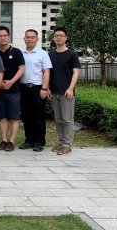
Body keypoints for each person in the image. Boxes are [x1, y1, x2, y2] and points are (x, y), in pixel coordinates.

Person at [48, 27, 80, 156]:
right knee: (58, 120)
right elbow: (48, 72)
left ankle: (67, 145)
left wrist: (70, 88)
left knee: (68, 120)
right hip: (54, 91)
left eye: (61, 35)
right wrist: (47, 87)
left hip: (67, 92)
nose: (59, 37)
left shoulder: (71, 54)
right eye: (56, 35)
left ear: (66, 38)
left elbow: (76, 72)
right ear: (53, 38)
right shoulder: (50, 55)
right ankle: (61, 143)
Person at [0, 26, 25, 152]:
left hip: (14, 90)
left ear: (9, 36)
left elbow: (22, 69)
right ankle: (4, 140)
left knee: (13, 117)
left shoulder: (16, 52)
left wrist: (11, 82)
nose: (3, 37)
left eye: (5, 35)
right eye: (0, 36)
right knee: (2, 116)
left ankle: (11, 141)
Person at [20, 29, 52, 152]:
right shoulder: (20, 53)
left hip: (38, 88)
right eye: (27, 37)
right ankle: (29, 140)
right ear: (24, 39)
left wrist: (44, 88)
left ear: (37, 39)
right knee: (26, 116)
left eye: (32, 37)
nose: (30, 39)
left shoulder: (42, 54)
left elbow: (46, 71)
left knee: (38, 116)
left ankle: (39, 141)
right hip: (23, 88)